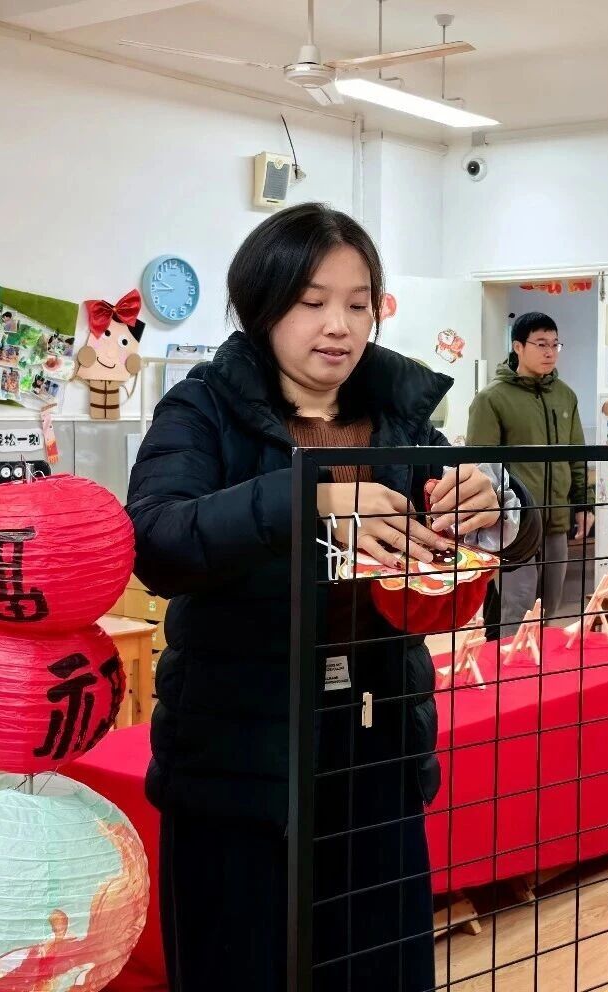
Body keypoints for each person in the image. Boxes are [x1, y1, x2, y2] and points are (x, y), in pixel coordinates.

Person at [126, 203, 540, 992]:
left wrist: (498, 506)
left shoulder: (398, 416)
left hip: (376, 745)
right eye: (312, 301)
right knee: (241, 967)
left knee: (380, 965)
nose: (338, 326)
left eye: (358, 303)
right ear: (263, 306)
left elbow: (501, 526)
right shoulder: (204, 407)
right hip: (240, 759)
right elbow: (158, 541)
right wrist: (308, 495)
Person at [467, 311, 594, 627]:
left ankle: (537, 660)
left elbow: (577, 456)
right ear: (518, 347)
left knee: (548, 608)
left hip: (556, 522)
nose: (550, 352)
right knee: (518, 610)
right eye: (541, 343)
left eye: (555, 344)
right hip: (514, 525)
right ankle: (507, 659)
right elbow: (482, 468)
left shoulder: (565, 396)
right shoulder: (492, 398)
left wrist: (584, 505)